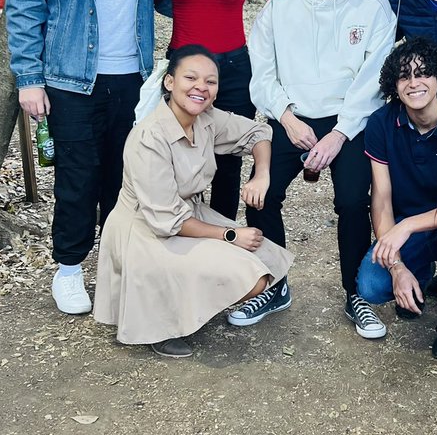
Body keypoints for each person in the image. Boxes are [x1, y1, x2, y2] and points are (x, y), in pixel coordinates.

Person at [6, 0, 161, 317]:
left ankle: (116, 267)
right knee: (77, 176)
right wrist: (28, 79)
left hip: (132, 78)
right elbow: (25, 8)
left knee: (123, 176)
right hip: (70, 79)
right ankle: (69, 269)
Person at [242, 0, 397, 338]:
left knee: (352, 201)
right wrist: (287, 118)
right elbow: (263, 73)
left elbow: (374, 79)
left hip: (349, 120)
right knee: (261, 194)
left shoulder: (373, 4)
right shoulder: (280, 5)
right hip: (290, 115)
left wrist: (340, 132)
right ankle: (273, 284)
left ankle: (356, 293)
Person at [94, 45, 292, 358]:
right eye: (191, 77)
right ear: (169, 82)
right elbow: (167, 220)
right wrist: (230, 235)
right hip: (147, 229)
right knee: (248, 274)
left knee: (265, 265)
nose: (201, 87)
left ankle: (188, 298)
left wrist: (262, 175)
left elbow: (259, 132)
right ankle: (160, 321)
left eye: (210, 81)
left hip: (188, 217)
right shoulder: (150, 137)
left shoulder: (207, 119)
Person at [154, 0, 285, 219]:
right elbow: (146, 3)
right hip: (183, 74)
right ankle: (182, 236)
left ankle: (223, 242)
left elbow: (287, 0)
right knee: (181, 158)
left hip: (233, 73)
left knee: (226, 165)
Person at [356, 38, 437, 361]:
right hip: (411, 229)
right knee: (372, 284)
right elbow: (381, 198)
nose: (414, 83)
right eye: (404, 76)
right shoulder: (382, 122)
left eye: (423, 73)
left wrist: (406, 226)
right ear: (394, 86)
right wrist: (397, 267)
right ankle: (416, 278)